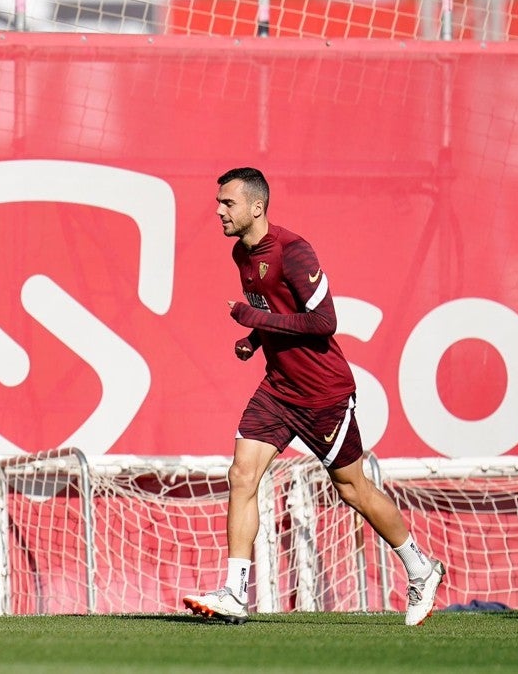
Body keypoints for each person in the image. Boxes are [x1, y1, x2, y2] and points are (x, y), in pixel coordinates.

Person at [182, 167, 445, 626]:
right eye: (219, 202)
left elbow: (324, 323)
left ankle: (421, 567)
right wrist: (255, 341)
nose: (219, 210)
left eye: (228, 203)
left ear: (257, 207)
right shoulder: (240, 254)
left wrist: (252, 320)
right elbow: (273, 311)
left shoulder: (294, 251)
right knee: (241, 475)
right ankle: (234, 593)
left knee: (353, 489)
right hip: (278, 390)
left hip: (323, 393)